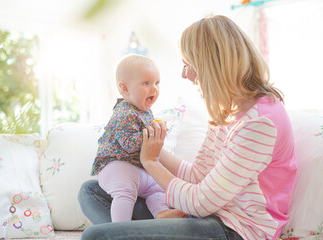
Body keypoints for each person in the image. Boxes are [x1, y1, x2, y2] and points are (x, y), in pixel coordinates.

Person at [78, 15, 297, 240]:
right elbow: (198, 175)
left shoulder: (259, 123)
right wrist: (152, 145)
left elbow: (200, 202)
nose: (185, 74)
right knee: (92, 192)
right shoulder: (229, 111)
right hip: (208, 216)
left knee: (97, 236)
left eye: (187, 65)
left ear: (211, 65)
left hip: (237, 229)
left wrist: (151, 162)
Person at [88, 53, 186, 223]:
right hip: (115, 165)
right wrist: (151, 135)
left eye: (157, 83)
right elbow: (128, 144)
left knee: (158, 188)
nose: (154, 88)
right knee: (125, 191)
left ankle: (161, 212)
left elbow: (150, 153)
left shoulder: (146, 111)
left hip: (138, 168)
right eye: (146, 83)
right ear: (125, 89)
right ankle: (121, 227)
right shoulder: (123, 112)